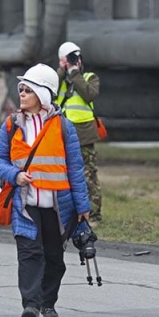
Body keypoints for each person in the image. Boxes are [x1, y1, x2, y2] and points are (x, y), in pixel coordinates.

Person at [0, 63, 92, 317]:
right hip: (24, 205)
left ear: (43, 94)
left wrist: (82, 205)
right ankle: (31, 306)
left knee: (54, 257)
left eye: (27, 90)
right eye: (20, 89)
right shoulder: (12, 124)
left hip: (57, 207)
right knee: (28, 254)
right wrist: (14, 175)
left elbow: (75, 168)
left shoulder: (64, 127)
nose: (21, 94)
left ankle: (48, 303)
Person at [55, 41, 103, 225]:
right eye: (71, 59)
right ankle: (68, 213)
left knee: (88, 175)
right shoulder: (58, 79)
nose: (76, 62)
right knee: (63, 175)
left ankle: (94, 214)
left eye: (77, 58)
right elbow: (48, 92)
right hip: (61, 134)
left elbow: (89, 94)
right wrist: (61, 71)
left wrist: (74, 74)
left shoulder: (90, 77)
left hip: (84, 135)